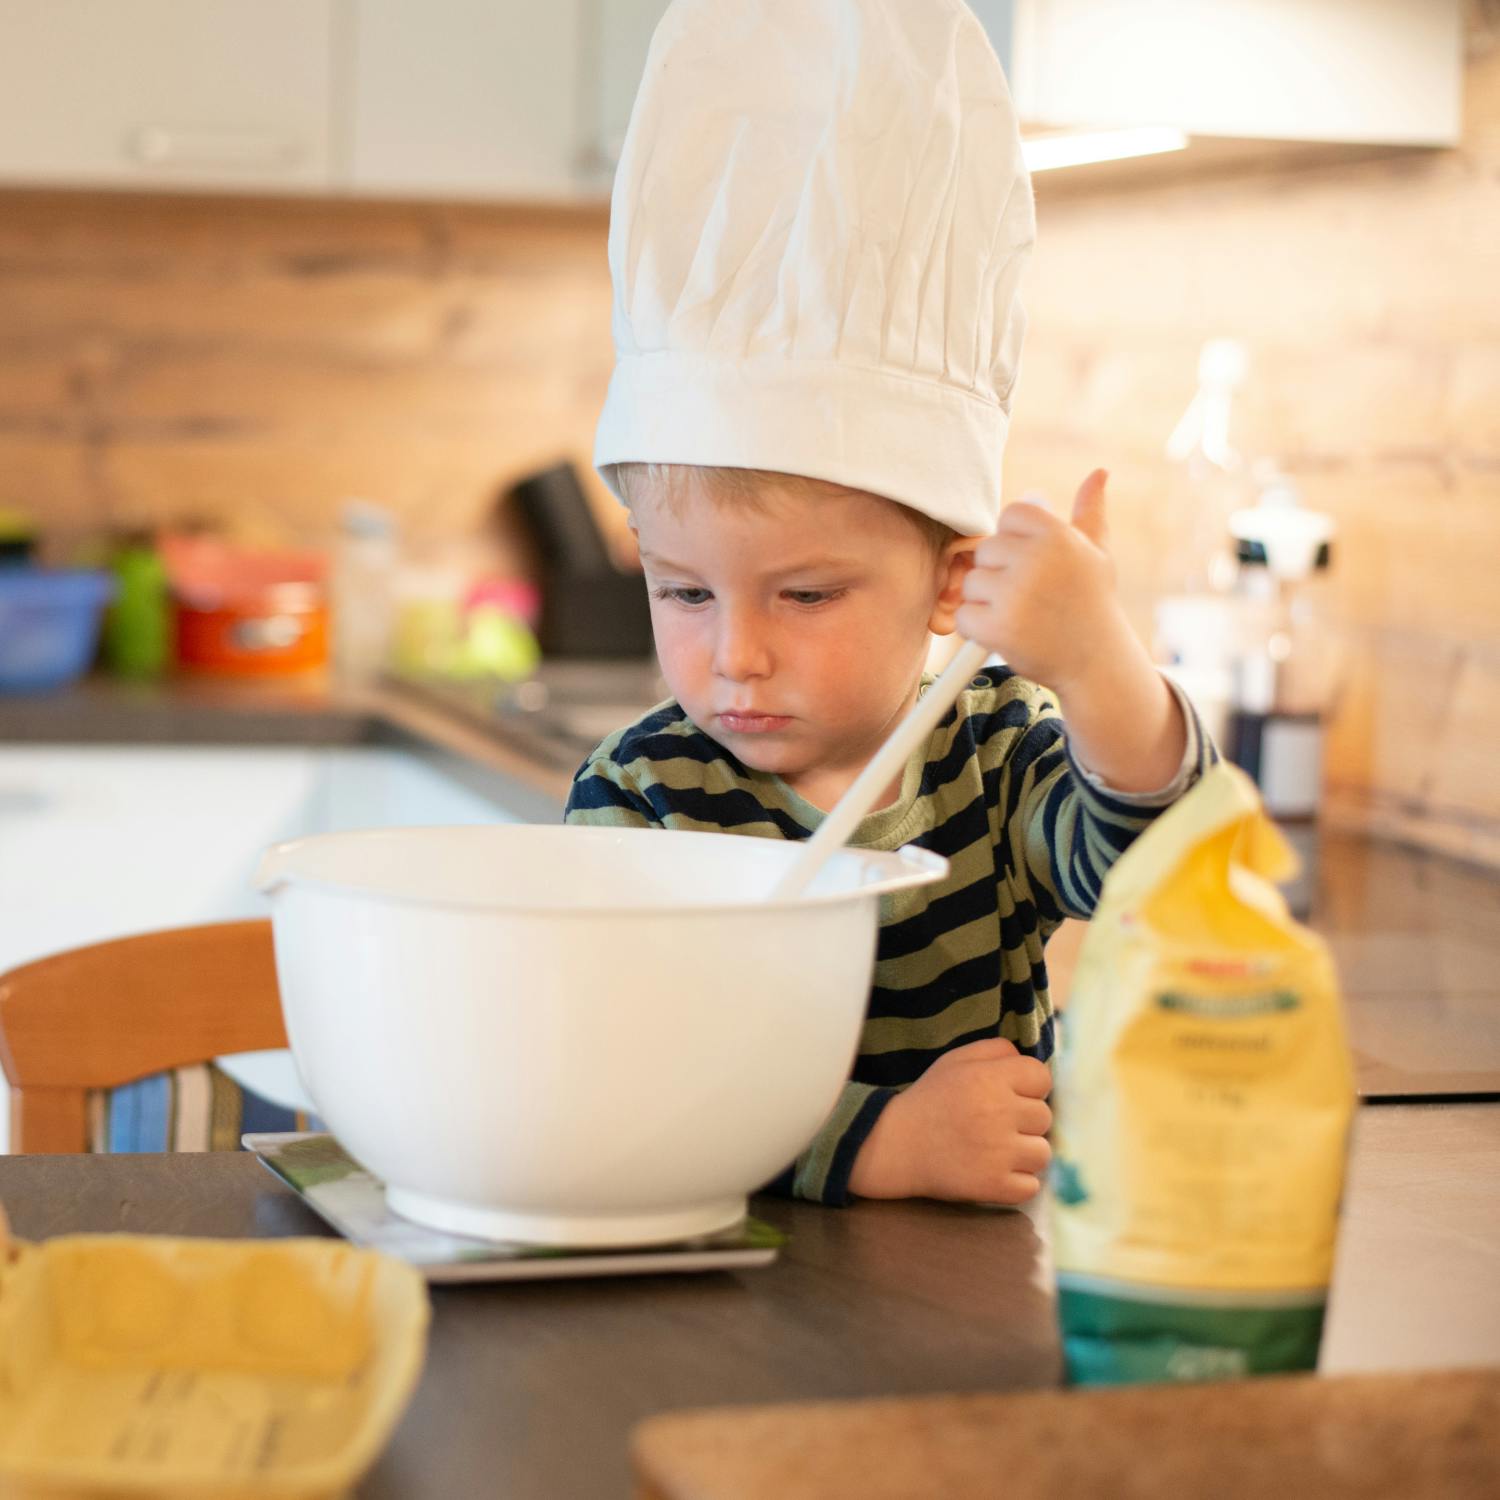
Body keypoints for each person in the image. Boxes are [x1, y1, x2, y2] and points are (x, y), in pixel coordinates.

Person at [566, 0, 1214, 1208]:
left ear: (953, 581)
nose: (735, 656)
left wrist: (1096, 663)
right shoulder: (641, 796)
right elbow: (619, 1075)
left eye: (806, 593)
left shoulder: (994, 753)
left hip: (968, 1294)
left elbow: (1160, 872)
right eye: (685, 590)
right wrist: (877, 1146)